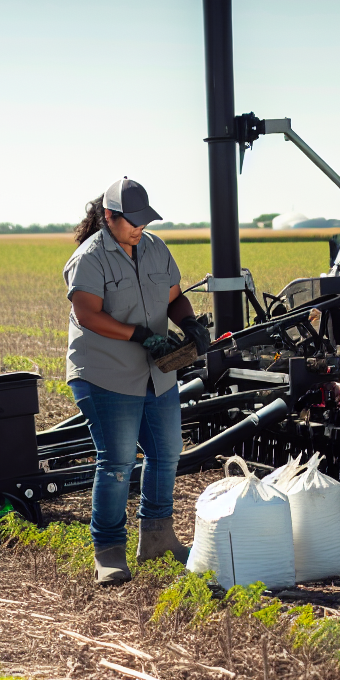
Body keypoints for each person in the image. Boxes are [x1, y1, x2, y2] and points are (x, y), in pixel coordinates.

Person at [64, 177, 212, 586]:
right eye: (132, 221)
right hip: (104, 373)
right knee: (117, 462)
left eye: (144, 220)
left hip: (156, 373)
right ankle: (109, 550)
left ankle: (158, 539)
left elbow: (174, 296)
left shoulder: (155, 248)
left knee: (167, 452)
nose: (139, 228)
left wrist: (188, 322)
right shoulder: (90, 258)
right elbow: (88, 315)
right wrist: (139, 335)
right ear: (109, 217)